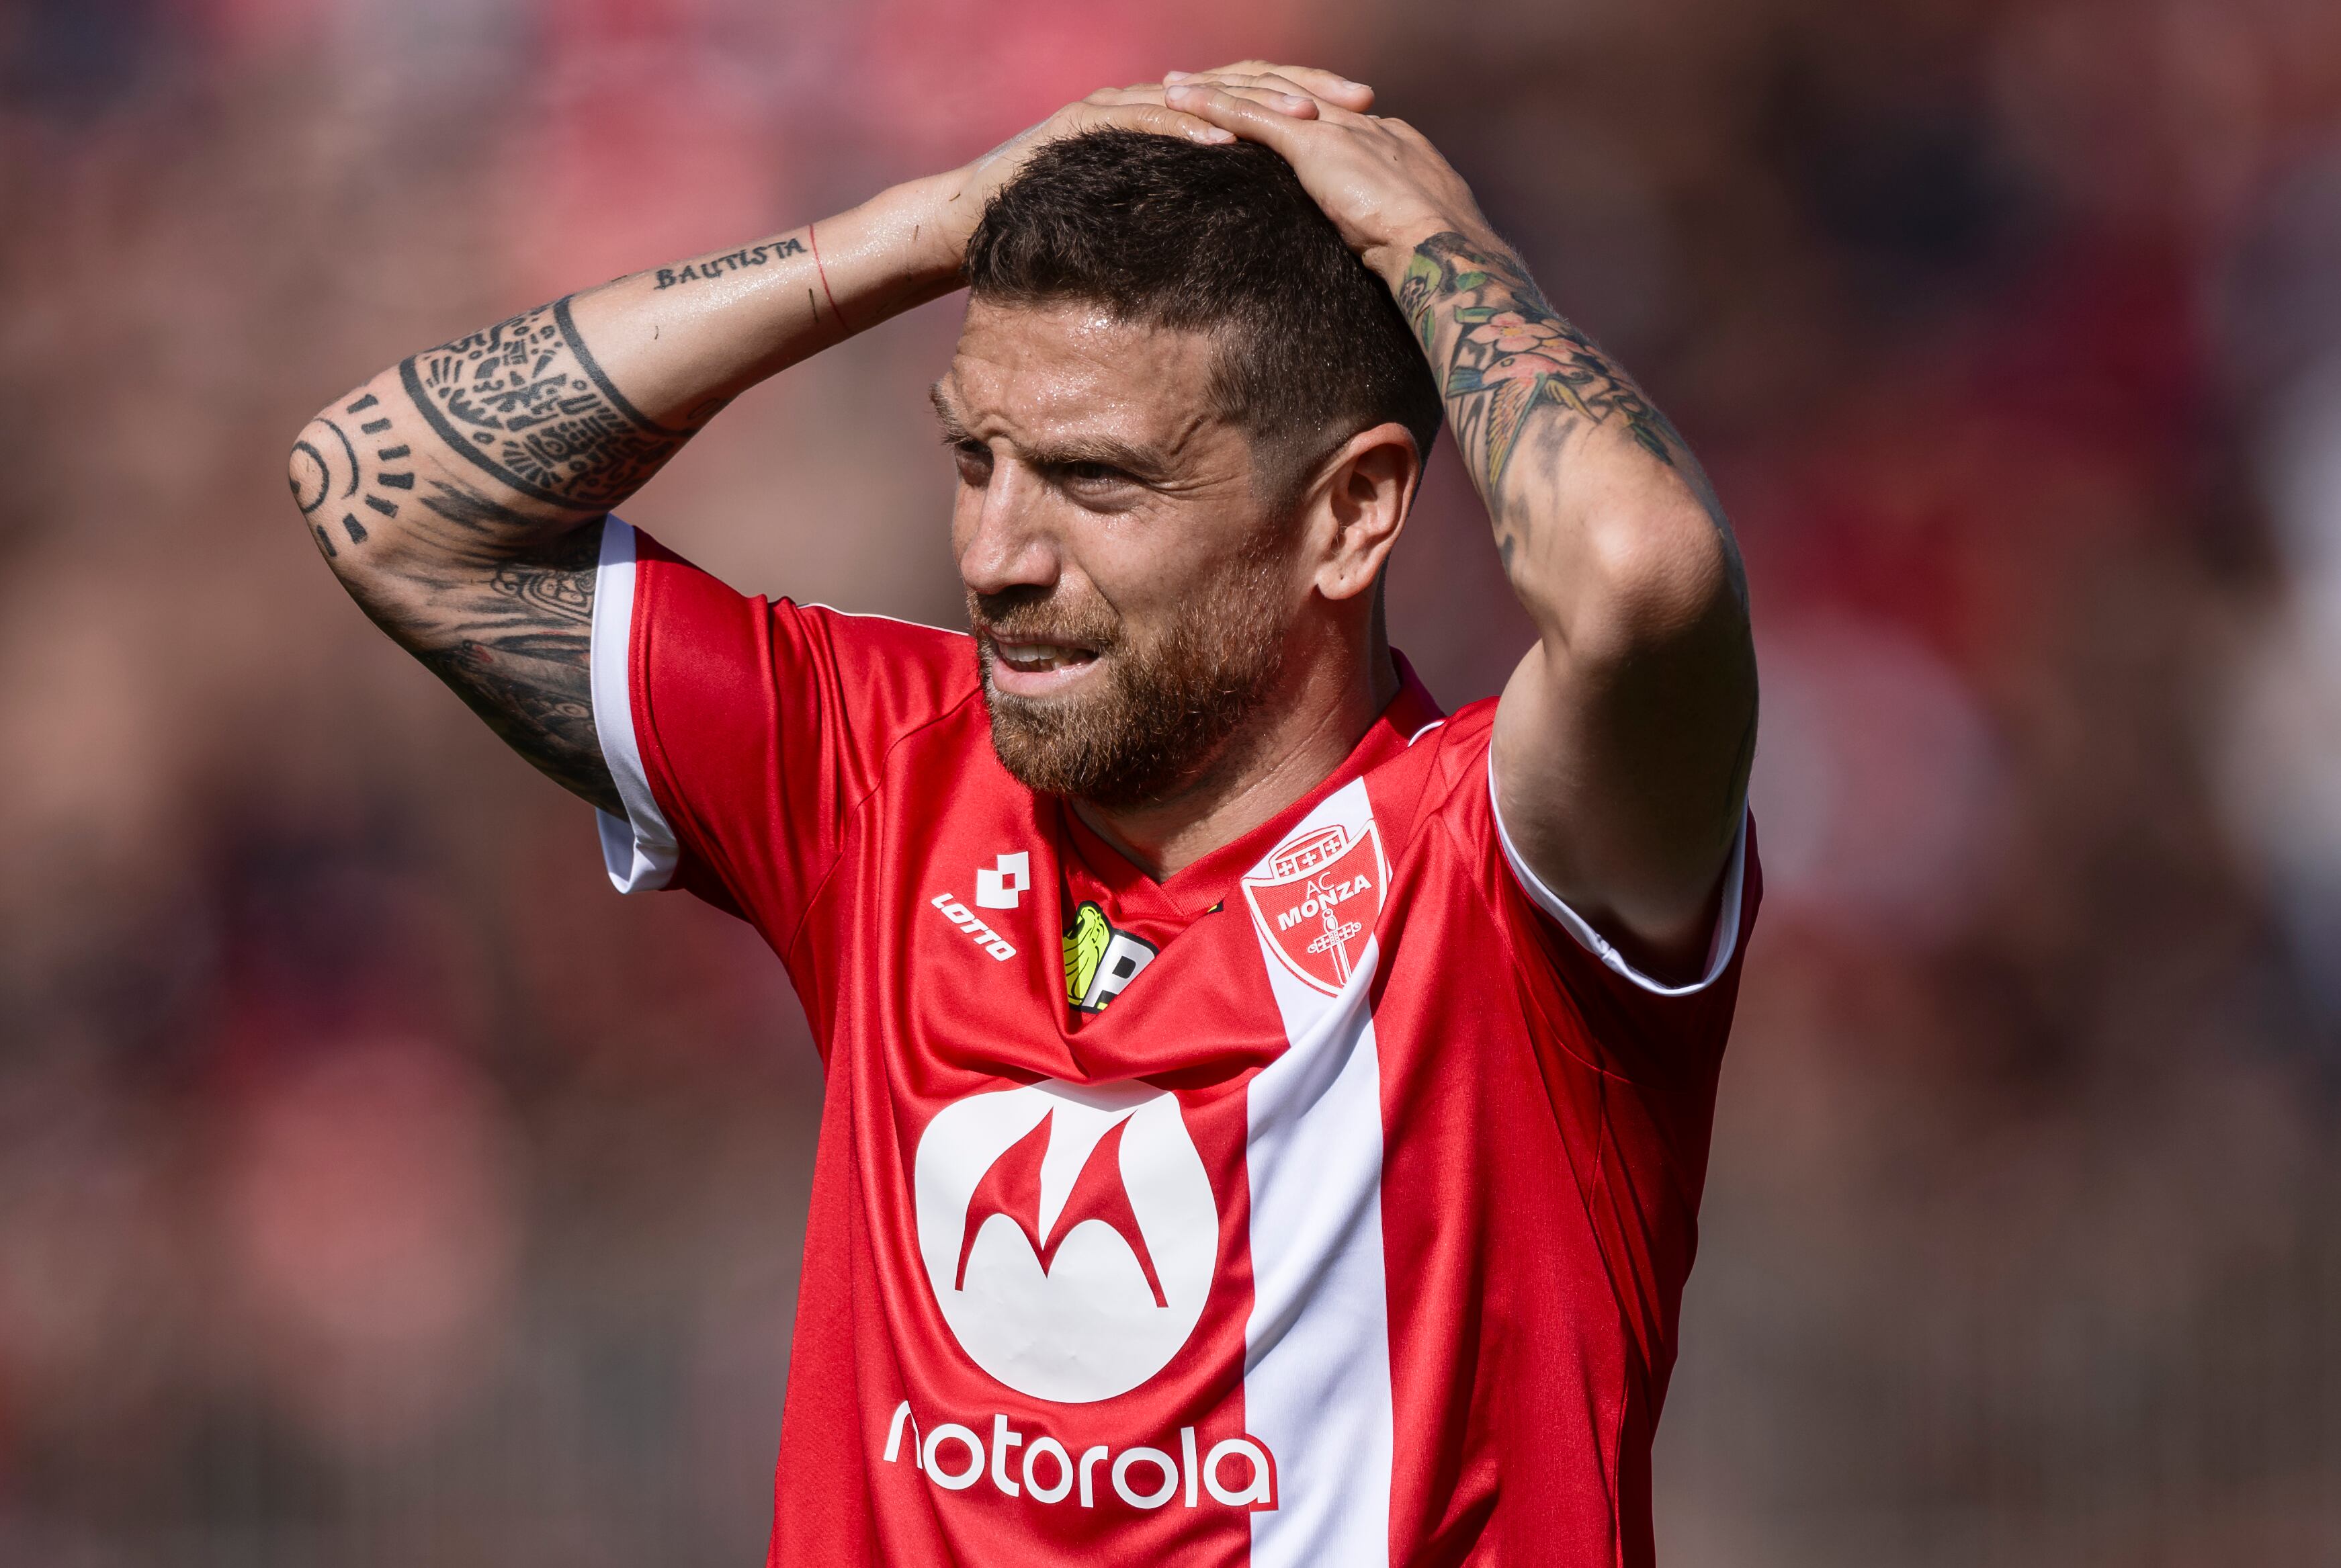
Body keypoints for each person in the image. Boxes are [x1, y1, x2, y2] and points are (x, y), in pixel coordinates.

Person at [287, 61, 1758, 1568]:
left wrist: (1436, 249)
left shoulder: (1510, 871)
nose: (996, 555)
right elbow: (375, 496)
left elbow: (1641, 573)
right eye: (973, 459)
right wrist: (928, 225)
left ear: (1349, 514)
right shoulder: (880, 771)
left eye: (1092, 482)